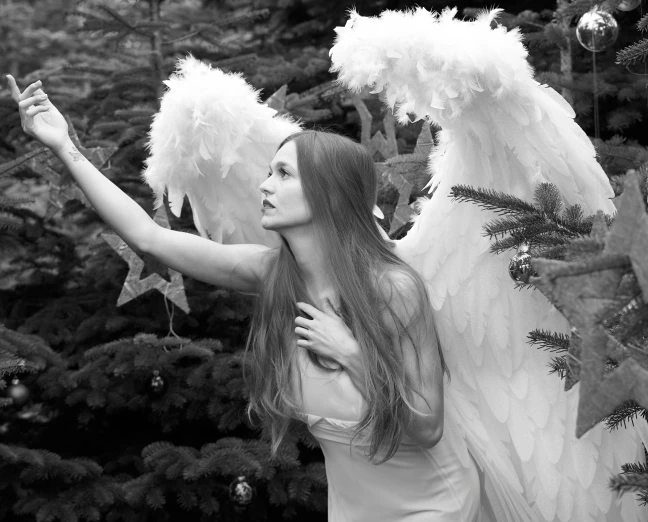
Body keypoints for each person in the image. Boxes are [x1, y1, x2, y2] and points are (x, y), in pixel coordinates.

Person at [6, 75, 482, 521]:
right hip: (355, 508)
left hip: (431, 503)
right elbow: (148, 237)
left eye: (282, 174)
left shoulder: (392, 289)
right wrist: (65, 146)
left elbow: (425, 429)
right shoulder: (272, 274)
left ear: (330, 195)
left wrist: (352, 355)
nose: (263, 185)